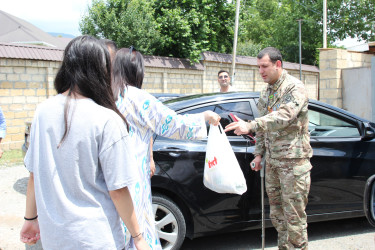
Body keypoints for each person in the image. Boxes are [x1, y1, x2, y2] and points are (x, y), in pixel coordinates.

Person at [20, 35, 149, 250]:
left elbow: (34, 173)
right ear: (101, 70)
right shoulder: (107, 120)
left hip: (55, 239)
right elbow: (118, 191)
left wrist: (30, 219)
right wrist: (138, 237)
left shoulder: (43, 111)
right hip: (96, 239)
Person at [112, 47, 221, 249]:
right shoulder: (137, 97)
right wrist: (204, 117)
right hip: (131, 177)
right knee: (136, 231)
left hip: (109, 179)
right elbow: (173, 124)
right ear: (137, 70)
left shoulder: (106, 95)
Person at [225, 47, 312, 249]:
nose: (261, 71)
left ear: (277, 64)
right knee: (278, 217)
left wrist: (251, 125)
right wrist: (258, 154)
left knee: (294, 218)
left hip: (293, 163)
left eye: (264, 66)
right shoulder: (266, 90)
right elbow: (265, 125)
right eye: (259, 67)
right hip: (273, 163)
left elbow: (283, 116)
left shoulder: (294, 87)